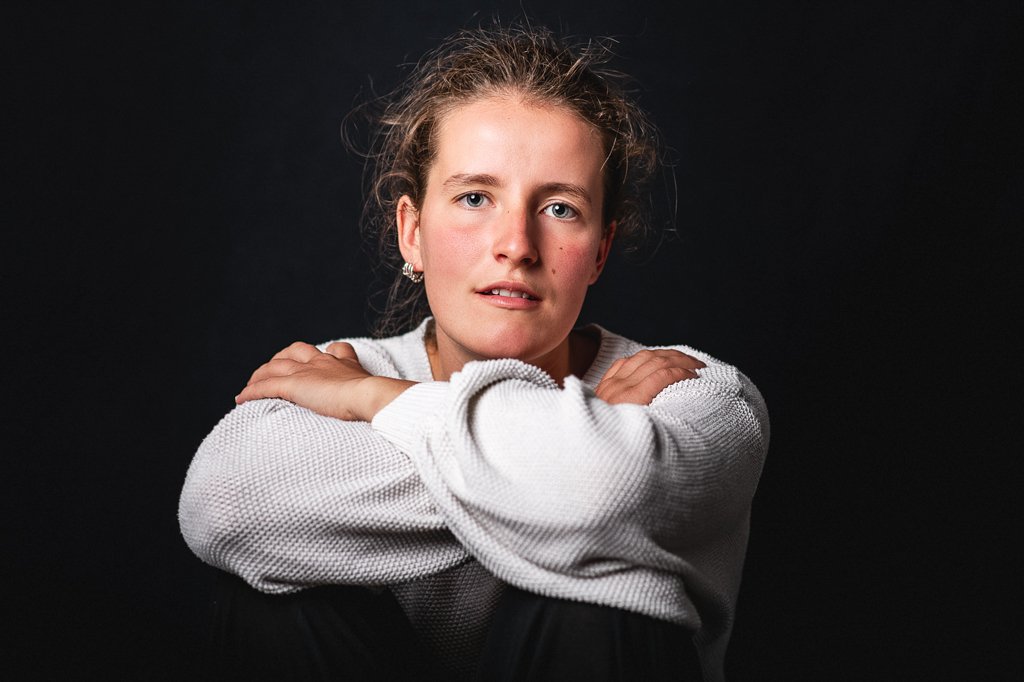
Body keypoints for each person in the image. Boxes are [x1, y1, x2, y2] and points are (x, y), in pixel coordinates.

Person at [179, 23, 769, 682]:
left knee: (593, 608)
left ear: (600, 251)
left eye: (560, 208)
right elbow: (224, 504)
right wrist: (577, 461)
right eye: (475, 197)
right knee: (274, 605)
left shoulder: (694, 391)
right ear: (412, 232)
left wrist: (377, 401)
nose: (516, 244)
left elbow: (610, 491)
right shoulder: (327, 371)